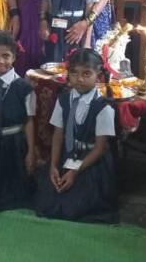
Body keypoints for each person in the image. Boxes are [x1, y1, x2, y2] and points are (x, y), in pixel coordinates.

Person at [36, 49, 117, 223]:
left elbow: (100, 148)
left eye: (86, 74)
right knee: (47, 203)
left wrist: (74, 172)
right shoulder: (63, 100)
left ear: (98, 77)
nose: (79, 79)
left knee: (72, 209)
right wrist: (53, 165)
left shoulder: (103, 108)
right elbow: (58, 134)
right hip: (67, 155)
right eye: (74, 73)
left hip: (90, 161)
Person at [0, 32, 36, 211]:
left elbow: (29, 121)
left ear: (14, 56)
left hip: (15, 143)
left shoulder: (24, 87)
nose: (0, 61)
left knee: (15, 184)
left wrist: (31, 151)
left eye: (6, 56)